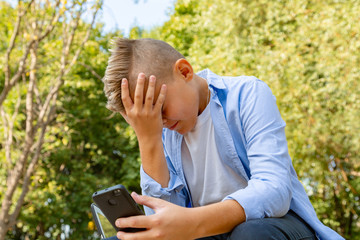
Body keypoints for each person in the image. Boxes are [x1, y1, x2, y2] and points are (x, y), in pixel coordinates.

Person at [102, 38, 343, 240]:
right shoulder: (158, 132)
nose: (160, 122)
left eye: (160, 108)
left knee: (250, 234)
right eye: (147, 119)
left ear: (184, 71)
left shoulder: (248, 94)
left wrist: (193, 222)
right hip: (207, 234)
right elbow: (161, 225)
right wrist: (148, 139)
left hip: (275, 226)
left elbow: (275, 191)